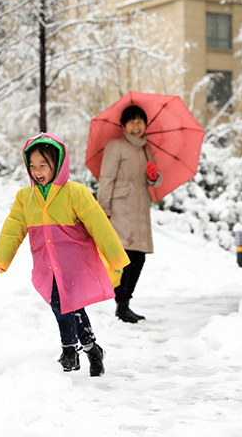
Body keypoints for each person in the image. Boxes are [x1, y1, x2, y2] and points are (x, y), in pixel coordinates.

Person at [0, 132, 129, 377]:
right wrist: (2, 258)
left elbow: (99, 226)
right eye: (32, 165)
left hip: (74, 263)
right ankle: (92, 349)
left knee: (62, 303)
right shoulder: (25, 197)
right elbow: (13, 229)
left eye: (43, 165)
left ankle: (69, 350)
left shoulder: (75, 192)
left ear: (58, 164)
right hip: (46, 263)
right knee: (69, 304)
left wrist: (115, 257)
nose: (37, 171)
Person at [97, 105, 163, 323]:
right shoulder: (115, 146)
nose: (136, 125)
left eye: (140, 121)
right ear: (123, 125)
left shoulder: (146, 148)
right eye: (131, 121)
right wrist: (103, 209)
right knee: (125, 256)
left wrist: (154, 176)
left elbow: (155, 180)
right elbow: (106, 178)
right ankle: (121, 304)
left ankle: (124, 302)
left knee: (139, 257)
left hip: (140, 208)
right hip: (120, 208)